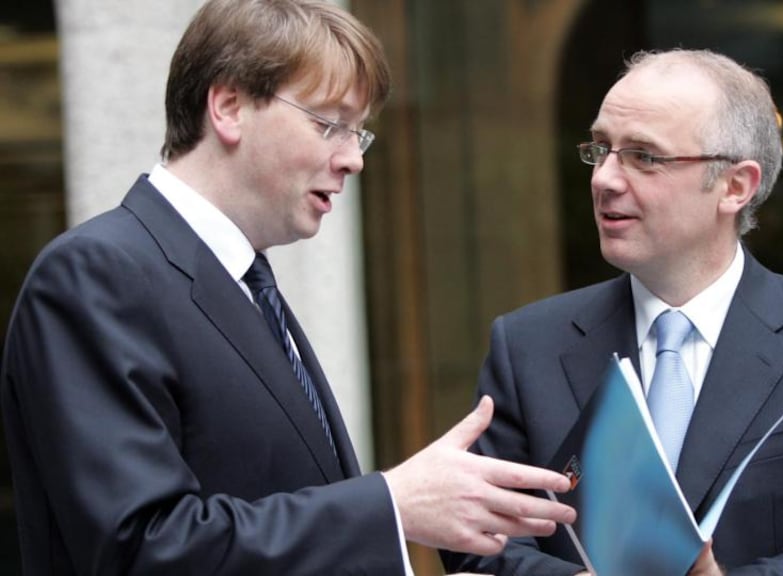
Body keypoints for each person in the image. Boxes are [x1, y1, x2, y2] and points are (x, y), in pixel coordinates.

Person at [0, 0, 576, 574]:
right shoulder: (96, 274)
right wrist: (392, 505)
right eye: (329, 123)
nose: (354, 159)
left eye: (359, 134)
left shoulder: (247, 281)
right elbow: (141, 549)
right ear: (228, 107)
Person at [441, 48, 783, 575]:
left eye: (644, 156)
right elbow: (475, 534)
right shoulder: (528, 345)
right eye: (602, 150)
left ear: (735, 186)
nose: (605, 179)